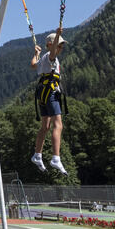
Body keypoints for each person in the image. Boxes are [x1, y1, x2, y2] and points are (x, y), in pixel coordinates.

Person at [30, 31, 68, 175]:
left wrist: (36, 54)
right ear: (51, 45)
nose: (61, 49)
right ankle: (56, 158)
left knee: (45, 126)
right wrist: (57, 34)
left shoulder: (43, 59)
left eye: (61, 46)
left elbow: (33, 65)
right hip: (50, 92)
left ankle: (37, 154)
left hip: (42, 94)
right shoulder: (51, 57)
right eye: (59, 46)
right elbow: (52, 50)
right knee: (58, 125)